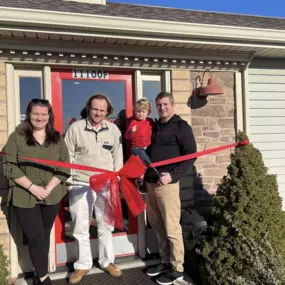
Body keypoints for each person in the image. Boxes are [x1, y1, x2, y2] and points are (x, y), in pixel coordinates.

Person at [3, 98, 70, 285]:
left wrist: (48, 188)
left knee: (44, 235)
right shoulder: (17, 136)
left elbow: (64, 167)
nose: (39, 118)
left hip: (51, 195)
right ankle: (43, 277)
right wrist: (32, 187)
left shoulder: (56, 138)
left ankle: (37, 277)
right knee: (35, 237)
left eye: (43, 114)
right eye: (35, 114)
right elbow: (9, 166)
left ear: (49, 116)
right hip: (24, 195)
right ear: (29, 115)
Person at [64, 93, 124, 284]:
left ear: (107, 112)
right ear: (88, 108)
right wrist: (69, 180)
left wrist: (118, 177)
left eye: (102, 110)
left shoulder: (113, 130)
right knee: (80, 226)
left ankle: (107, 261)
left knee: (105, 224)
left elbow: (117, 156)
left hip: (106, 183)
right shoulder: (76, 128)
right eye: (95, 109)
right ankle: (83, 264)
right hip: (80, 183)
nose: (98, 113)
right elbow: (68, 156)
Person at [144, 92, 197, 285]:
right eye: (159, 105)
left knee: (172, 227)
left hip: (167, 185)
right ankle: (165, 261)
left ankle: (177, 268)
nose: (162, 108)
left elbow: (191, 155)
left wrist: (172, 175)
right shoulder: (155, 126)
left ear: (173, 105)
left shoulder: (182, 127)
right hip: (150, 183)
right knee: (157, 225)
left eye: (165, 104)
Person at [125, 98, 159, 194]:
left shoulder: (150, 121)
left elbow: (155, 130)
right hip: (137, 148)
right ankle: (152, 170)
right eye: (138, 112)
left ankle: (141, 182)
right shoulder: (133, 122)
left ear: (148, 112)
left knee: (142, 167)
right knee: (146, 161)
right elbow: (127, 137)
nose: (140, 114)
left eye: (143, 112)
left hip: (147, 147)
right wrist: (131, 132)